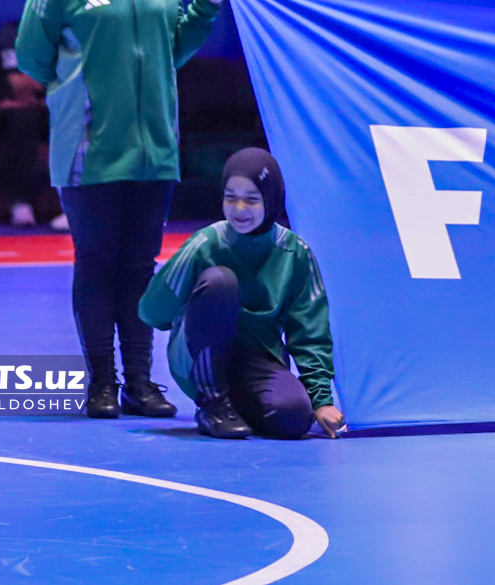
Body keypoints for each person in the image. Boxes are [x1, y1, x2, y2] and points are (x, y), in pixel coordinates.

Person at [15, 0, 227, 420]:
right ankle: (101, 384)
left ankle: (140, 381)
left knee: (140, 267)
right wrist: (82, 90)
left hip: (154, 147)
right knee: (97, 261)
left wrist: (204, 7)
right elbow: (33, 58)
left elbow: (173, 47)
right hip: (90, 149)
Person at [140, 148, 344, 440]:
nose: (238, 209)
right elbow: (151, 312)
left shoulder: (295, 253)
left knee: (293, 418)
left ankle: (237, 404)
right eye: (230, 197)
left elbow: (310, 332)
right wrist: (195, 311)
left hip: (256, 361)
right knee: (220, 282)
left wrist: (321, 400)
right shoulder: (206, 244)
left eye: (252, 199)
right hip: (196, 357)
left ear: (271, 199)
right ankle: (213, 403)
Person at [0, 21, 67, 231]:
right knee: (23, 121)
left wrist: (45, 92)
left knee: (82, 120)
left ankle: (76, 207)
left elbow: (75, 79)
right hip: (23, 111)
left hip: (59, 105)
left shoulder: (71, 33)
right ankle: (21, 202)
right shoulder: (14, 35)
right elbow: (18, 83)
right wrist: (51, 83)